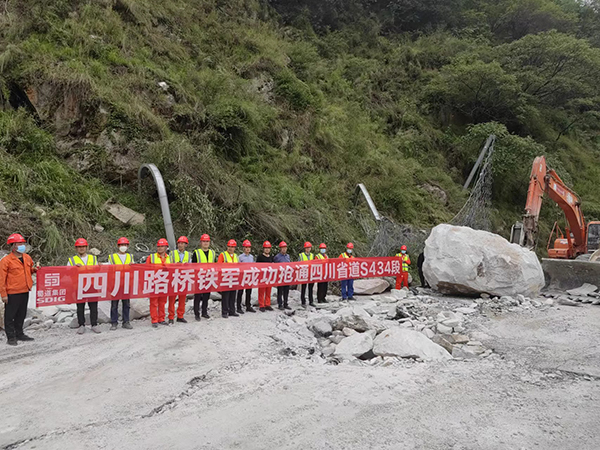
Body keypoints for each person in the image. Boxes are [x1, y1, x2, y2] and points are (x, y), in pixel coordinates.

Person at [0, 234, 39, 346]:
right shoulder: (6, 261)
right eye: (19, 243)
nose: (22, 246)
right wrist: (3, 294)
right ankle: (11, 337)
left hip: (25, 290)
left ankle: (20, 333)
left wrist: (34, 269)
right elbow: (1, 279)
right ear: (13, 245)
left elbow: (29, 270)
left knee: (21, 314)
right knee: (10, 316)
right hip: (12, 292)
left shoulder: (27, 257)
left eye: (23, 243)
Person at [68, 238, 100, 335]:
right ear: (76, 248)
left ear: (86, 247)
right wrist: (74, 268)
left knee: (93, 306)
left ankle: (94, 324)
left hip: (91, 285)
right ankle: (81, 325)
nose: (81, 248)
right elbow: (67, 272)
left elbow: (97, 271)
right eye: (79, 247)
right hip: (79, 286)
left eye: (83, 246)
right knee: (80, 307)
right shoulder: (72, 260)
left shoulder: (93, 258)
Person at [108, 237, 133, 331]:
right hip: (115, 283)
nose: (123, 247)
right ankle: (114, 322)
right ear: (118, 246)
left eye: (125, 245)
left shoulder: (130, 256)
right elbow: (109, 270)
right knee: (114, 304)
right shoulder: (112, 257)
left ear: (127, 246)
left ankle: (126, 322)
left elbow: (134, 269)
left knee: (126, 304)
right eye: (121, 245)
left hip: (126, 283)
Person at [146, 238, 171, 328]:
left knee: (163, 302)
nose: (160, 248)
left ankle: (161, 318)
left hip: (164, 283)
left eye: (162, 246)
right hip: (154, 283)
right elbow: (145, 270)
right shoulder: (151, 257)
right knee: (154, 302)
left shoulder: (169, 258)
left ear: (166, 247)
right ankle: (154, 320)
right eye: (158, 246)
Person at [191, 234, 215, 321]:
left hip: (209, 277)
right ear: (200, 242)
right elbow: (193, 266)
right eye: (204, 241)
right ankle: (196, 313)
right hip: (199, 277)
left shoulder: (212, 252)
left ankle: (204, 312)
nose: (205, 243)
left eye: (207, 241)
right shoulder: (196, 253)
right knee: (197, 296)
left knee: (206, 296)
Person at [168, 236, 190, 324]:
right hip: (174, 277)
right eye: (179, 243)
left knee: (182, 298)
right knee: (172, 299)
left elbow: (191, 265)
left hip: (184, 277)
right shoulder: (172, 253)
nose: (180, 245)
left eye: (182, 243)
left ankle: (180, 316)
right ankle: (171, 316)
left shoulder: (188, 254)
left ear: (186, 245)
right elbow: (168, 264)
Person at [217, 239, 239, 318]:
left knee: (233, 295)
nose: (230, 248)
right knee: (225, 296)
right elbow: (218, 266)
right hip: (225, 278)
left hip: (234, 278)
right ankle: (224, 312)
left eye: (232, 247)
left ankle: (232, 311)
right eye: (229, 246)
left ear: (235, 248)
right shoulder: (223, 255)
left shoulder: (236, 256)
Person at [236, 240, 254, 314]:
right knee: (240, 292)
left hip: (249, 276)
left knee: (249, 292)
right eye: (246, 247)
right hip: (242, 276)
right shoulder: (240, 257)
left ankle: (248, 306)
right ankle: (238, 307)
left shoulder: (251, 257)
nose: (247, 249)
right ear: (243, 248)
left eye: (249, 247)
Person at [256, 241, 274, 312]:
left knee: (268, 291)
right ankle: (261, 305)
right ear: (263, 249)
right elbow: (257, 266)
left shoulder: (272, 257)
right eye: (266, 248)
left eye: (268, 248)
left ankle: (267, 304)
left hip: (269, 276)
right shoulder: (260, 257)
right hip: (262, 276)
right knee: (261, 291)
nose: (267, 249)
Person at [274, 241, 291, 310]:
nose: (284, 249)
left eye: (285, 248)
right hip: (280, 276)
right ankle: (280, 304)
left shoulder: (288, 256)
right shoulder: (277, 257)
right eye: (282, 248)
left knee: (286, 290)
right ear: (280, 249)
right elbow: (274, 266)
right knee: (280, 291)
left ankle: (286, 303)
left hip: (287, 276)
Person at [299, 241, 315, 307]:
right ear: (305, 248)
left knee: (310, 288)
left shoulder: (312, 255)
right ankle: (303, 301)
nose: (308, 249)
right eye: (307, 248)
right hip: (304, 273)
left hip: (310, 274)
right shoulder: (301, 255)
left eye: (309, 248)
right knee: (303, 288)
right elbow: (298, 264)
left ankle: (311, 301)